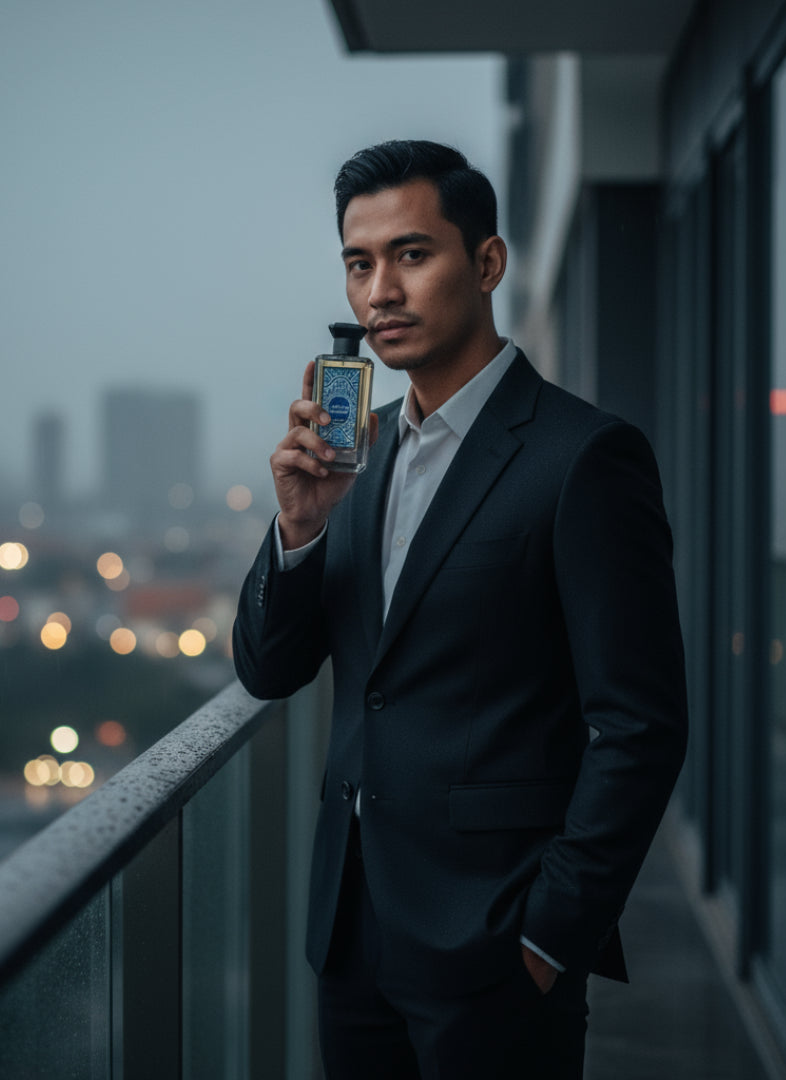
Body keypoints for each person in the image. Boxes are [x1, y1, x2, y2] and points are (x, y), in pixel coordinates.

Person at [232, 140, 688, 1079]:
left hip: (497, 948)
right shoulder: (358, 455)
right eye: (360, 264)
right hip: (352, 938)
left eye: (412, 254)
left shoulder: (582, 457)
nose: (379, 293)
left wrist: (550, 939)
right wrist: (301, 528)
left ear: (487, 263)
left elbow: (639, 724)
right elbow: (270, 668)